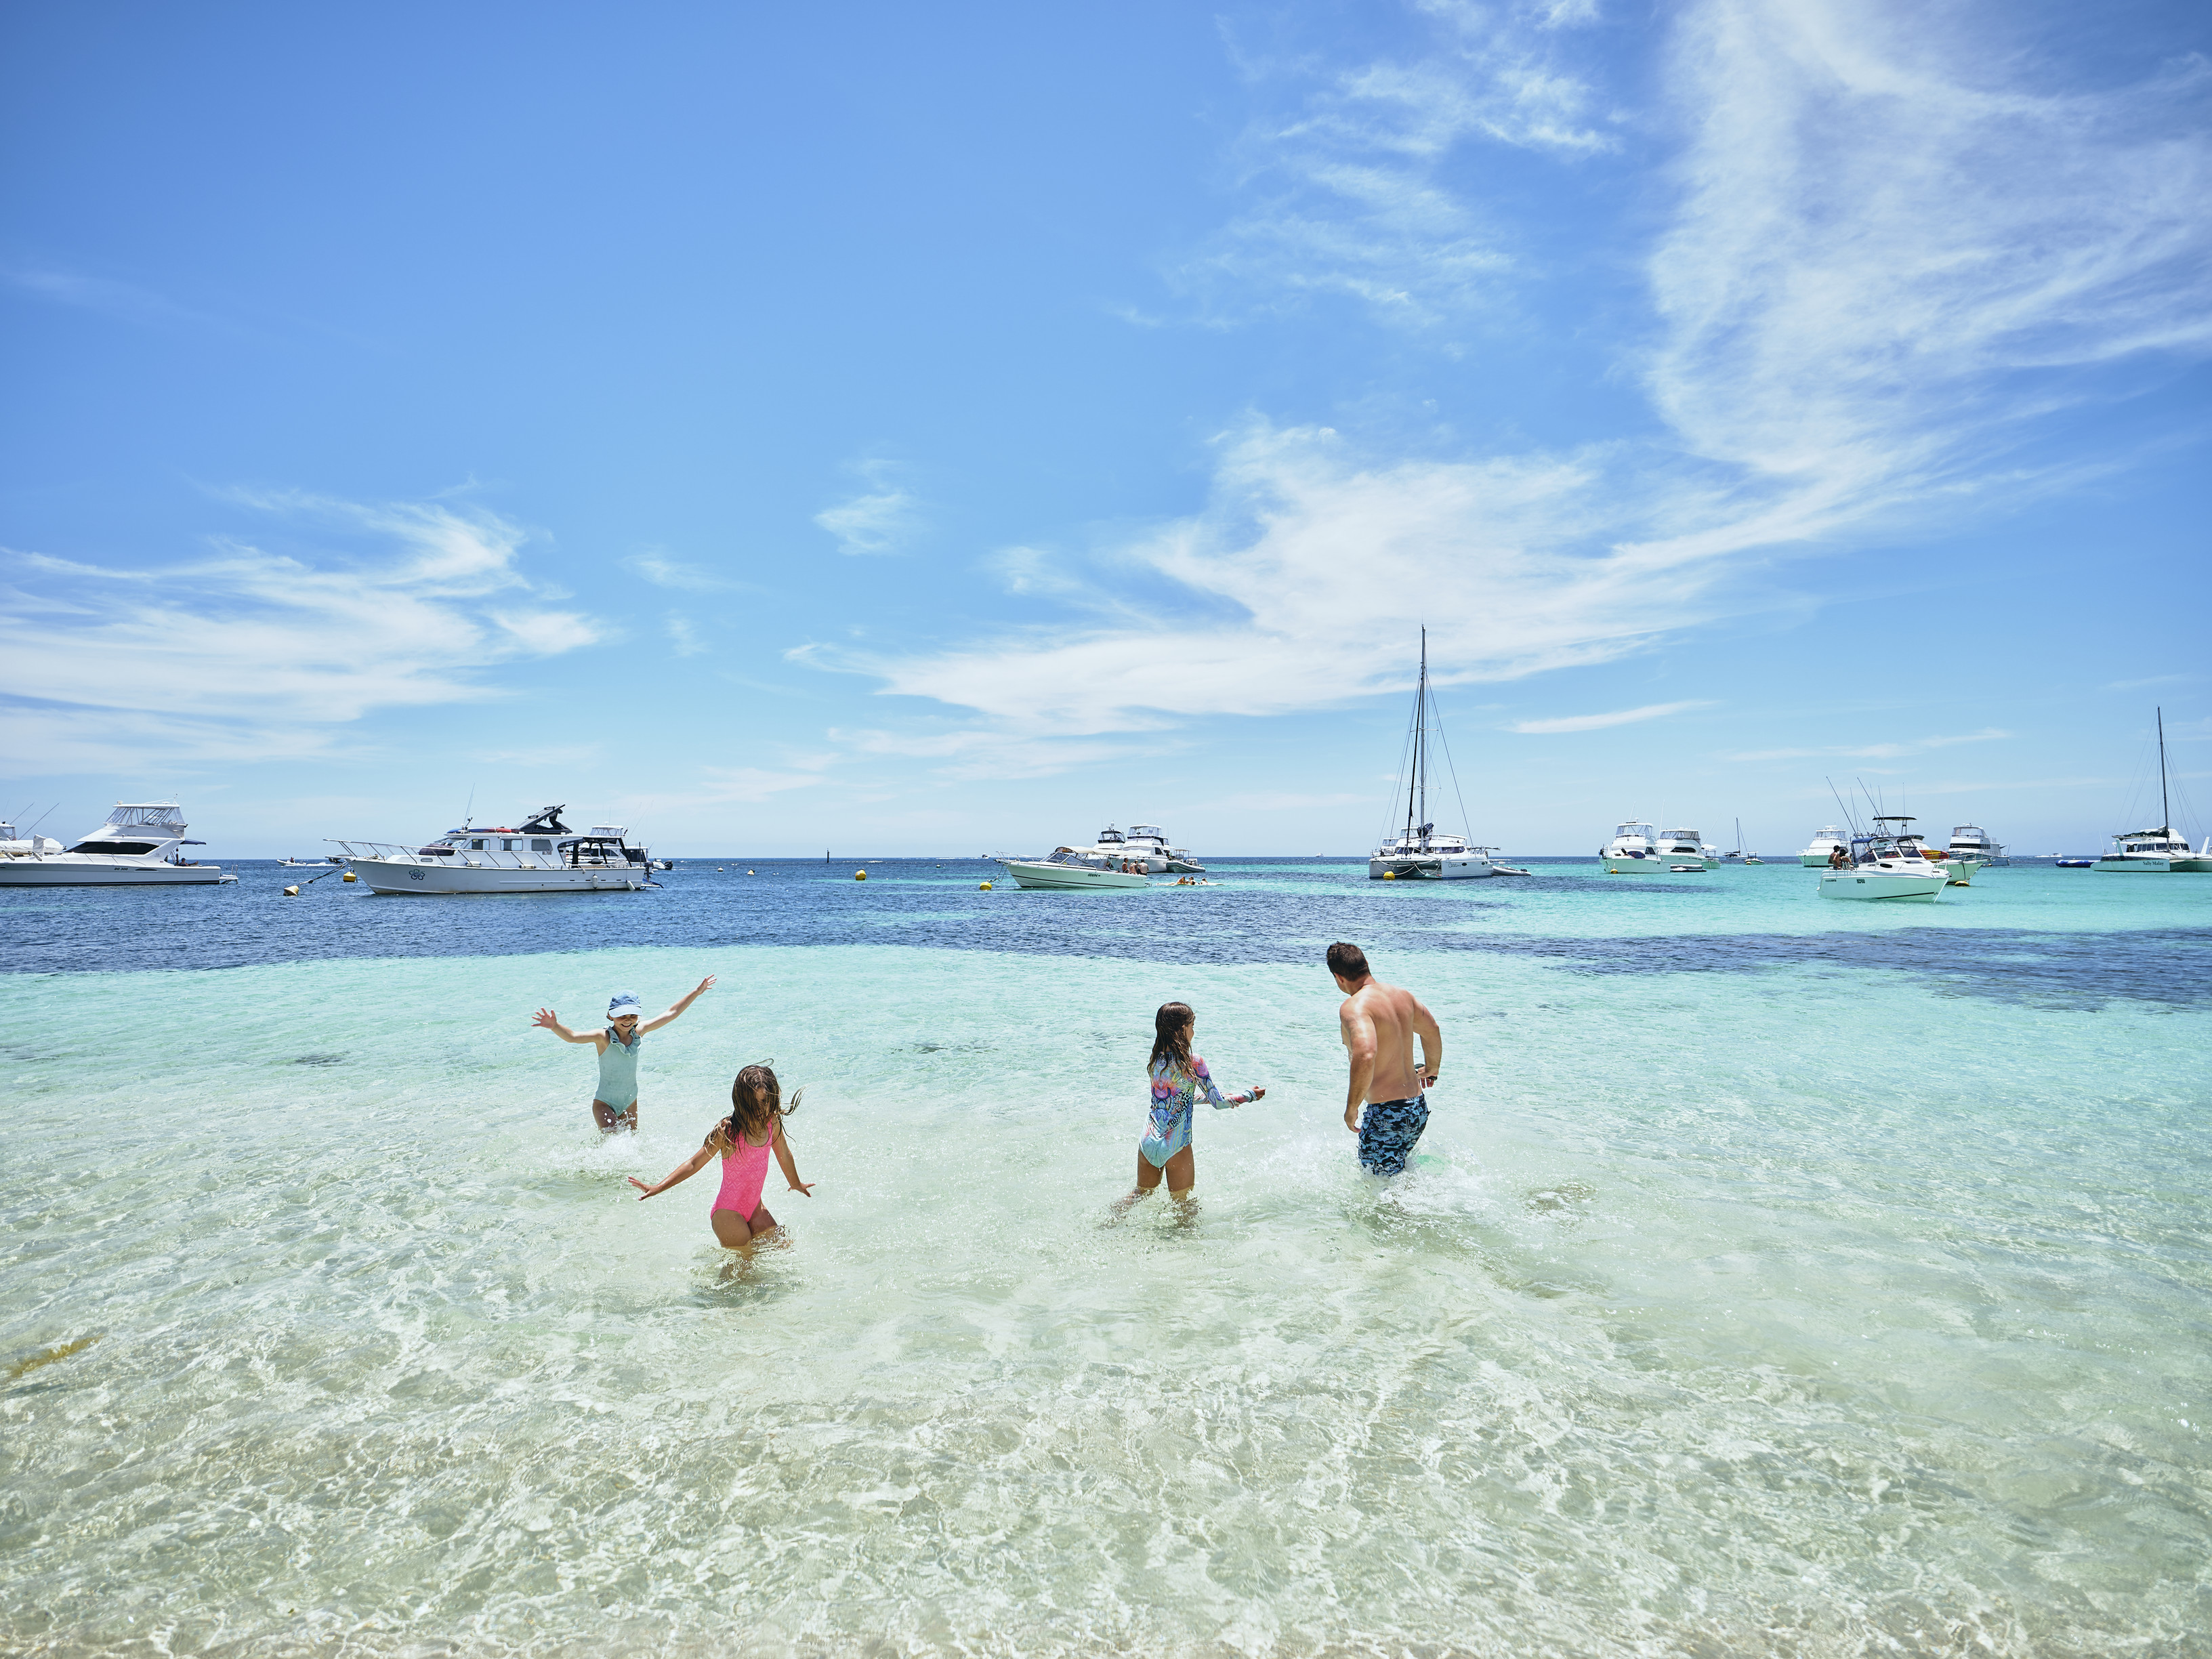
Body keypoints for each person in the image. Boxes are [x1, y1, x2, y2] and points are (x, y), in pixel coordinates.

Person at [629, 1064, 812, 1249]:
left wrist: (796, 1184)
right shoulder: (728, 1132)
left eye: (765, 1101)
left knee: (784, 1244)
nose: (760, 1109)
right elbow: (694, 1163)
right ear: (741, 1102)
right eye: (754, 1103)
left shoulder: (772, 1121)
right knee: (745, 1266)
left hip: (755, 1207)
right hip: (728, 1214)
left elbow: (785, 1155)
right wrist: (658, 1187)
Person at [1118, 1001, 1264, 1209]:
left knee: (1140, 1195)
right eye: (1192, 1026)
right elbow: (1219, 1104)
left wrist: (1219, 1096)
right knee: (1184, 1206)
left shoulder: (1156, 1060)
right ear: (1182, 1028)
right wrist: (1249, 1095)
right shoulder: (1193, 1062)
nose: (1193, 1032)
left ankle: (1107, 1224)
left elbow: (1175, 1099)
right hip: (1176, 1143)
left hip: (1148, 1140)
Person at [531, 976, 715, 1133]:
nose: (628, 1021)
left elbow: (671, 1013)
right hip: (604, 1102)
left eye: (632, 1016)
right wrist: (555, 1026)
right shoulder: (603, 1037)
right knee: (612, 1143)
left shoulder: (639, 1031)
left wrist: (697, 992)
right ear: (611, 1016)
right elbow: (572, 1037)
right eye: (622, 1016)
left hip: (630, 1101)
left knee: (630, 1146)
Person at [1328, 942, 1441, 1176]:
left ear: (1339, 978)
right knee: (1396, 1182)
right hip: (1417, 1110)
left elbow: (1366, 1054)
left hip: (1387, 1114)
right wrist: (1432, 1068)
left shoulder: (1354, 1007)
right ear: (1366, 965)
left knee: (1377, 1192)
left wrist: (1352, 1107)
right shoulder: (1402, 996)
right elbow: (1432, 1030)